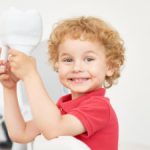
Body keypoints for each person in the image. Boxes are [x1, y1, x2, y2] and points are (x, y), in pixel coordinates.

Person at [0, 16, 125, 150]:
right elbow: (21, 133)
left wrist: (30, 75)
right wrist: (10, 88)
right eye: (68, 60)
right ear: (57, 65)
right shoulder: (61, 107)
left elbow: (54, 129)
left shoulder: (100, 107)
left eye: (89, 59)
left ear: (110, 67)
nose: (77, 68)